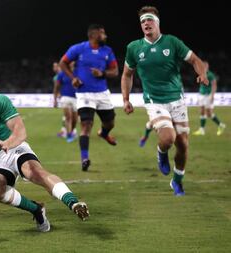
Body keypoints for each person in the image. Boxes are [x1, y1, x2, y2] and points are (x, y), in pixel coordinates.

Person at [0, 73, 89, 232]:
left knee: (34, 172)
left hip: (14, 147)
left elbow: (20, 132)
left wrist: (8, 143)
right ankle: (36, 209)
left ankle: (73, 203)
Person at [121, 6, 208, 196]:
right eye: (143, 21)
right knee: (169, 138)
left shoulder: (172, 42)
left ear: (157, 22)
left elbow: (195, 60)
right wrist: (126, 99)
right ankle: (161, 153)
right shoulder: (134, 48)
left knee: (183, 144)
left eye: (149, 19)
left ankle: (177, 181)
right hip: (154, 101)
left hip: (177, 99)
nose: (146, 23)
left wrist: (202, 74)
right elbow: (127, 74)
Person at [59, 24, 119, 171]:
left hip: (102, 93)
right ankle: (84, 158)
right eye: (103, 33)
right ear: (94, 35)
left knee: (110, 123)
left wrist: (103, 73)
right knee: (86, 126)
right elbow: (63, 62)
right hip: (84, 93)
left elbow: (115, 71)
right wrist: (73, 77)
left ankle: (104, 133)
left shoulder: (107, 51)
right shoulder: (78, 49)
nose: (105, 36)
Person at [193, 61, 226, 136]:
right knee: (201, 111)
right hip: (201, 94)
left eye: (205, 66)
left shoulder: (210, 75)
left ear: (207, 67)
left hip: (208, 95)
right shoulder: (201, 73)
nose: (204, 68)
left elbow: (214, 85)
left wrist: (212, 96)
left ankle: (221, 125)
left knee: (209, 113)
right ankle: (202, 130)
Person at [53, 62, 78, 143]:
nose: (71, 64)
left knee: (75, 119)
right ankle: (69, 135)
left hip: (76, 98)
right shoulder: (61, 74)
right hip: (65, 98)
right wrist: (55, 99)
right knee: (68, 117)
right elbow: (56, 87)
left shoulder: (77, 73)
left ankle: (71, 132)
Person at [52, 62, 67, 138]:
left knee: (67, 115)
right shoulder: (56, 77)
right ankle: (65, 130)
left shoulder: (62, 75)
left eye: (55, 66)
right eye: (53, 67)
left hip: (68, 96)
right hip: (64, 96)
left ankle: (66, 131)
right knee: (67, 115)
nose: (54, 68)